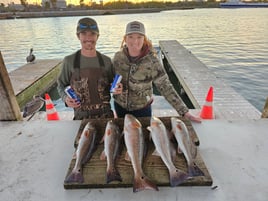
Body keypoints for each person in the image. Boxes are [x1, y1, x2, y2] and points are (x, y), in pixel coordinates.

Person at [112, 21, 201, 123]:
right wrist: (113, 87)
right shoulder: (118, 57)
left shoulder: (152, 61)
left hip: (142, 110)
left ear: (144, 39)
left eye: (139, 37)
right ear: (125, 38)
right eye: (131, 36)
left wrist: (184, 112)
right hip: (120, 108)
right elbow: (110, 78)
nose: (135, 41)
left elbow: (166, 87)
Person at [57, 17, 115, 120]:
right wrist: (65, 98)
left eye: (92, 34)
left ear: (97, 36)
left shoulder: (106, 61)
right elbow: (61, 85)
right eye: (84, 33)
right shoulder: (69, 61)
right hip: (81, 117)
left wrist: (118, 88)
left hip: (106, 117)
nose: (88, 38)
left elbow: (114, 86)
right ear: (78, 36)